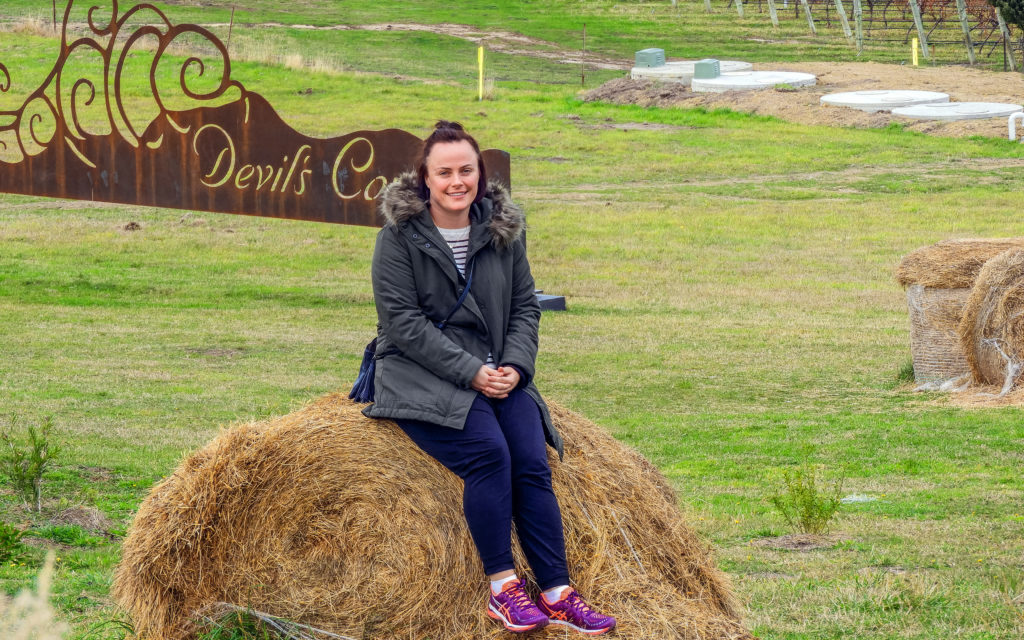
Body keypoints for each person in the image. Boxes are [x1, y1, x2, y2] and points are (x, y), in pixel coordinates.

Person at [362, 121, 616, 636]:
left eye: (466, 170)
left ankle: (558, 591)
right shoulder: (397, 238)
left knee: (529, 457)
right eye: (445, 172)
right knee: (488, 455)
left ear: (481, 173)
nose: (457, 181)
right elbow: (401, 323)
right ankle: (503, 589)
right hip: (419, 373)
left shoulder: (502, 231)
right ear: (425, 178)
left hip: (496, 368)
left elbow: (525, 306)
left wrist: (516, 368)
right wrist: (470, 372)